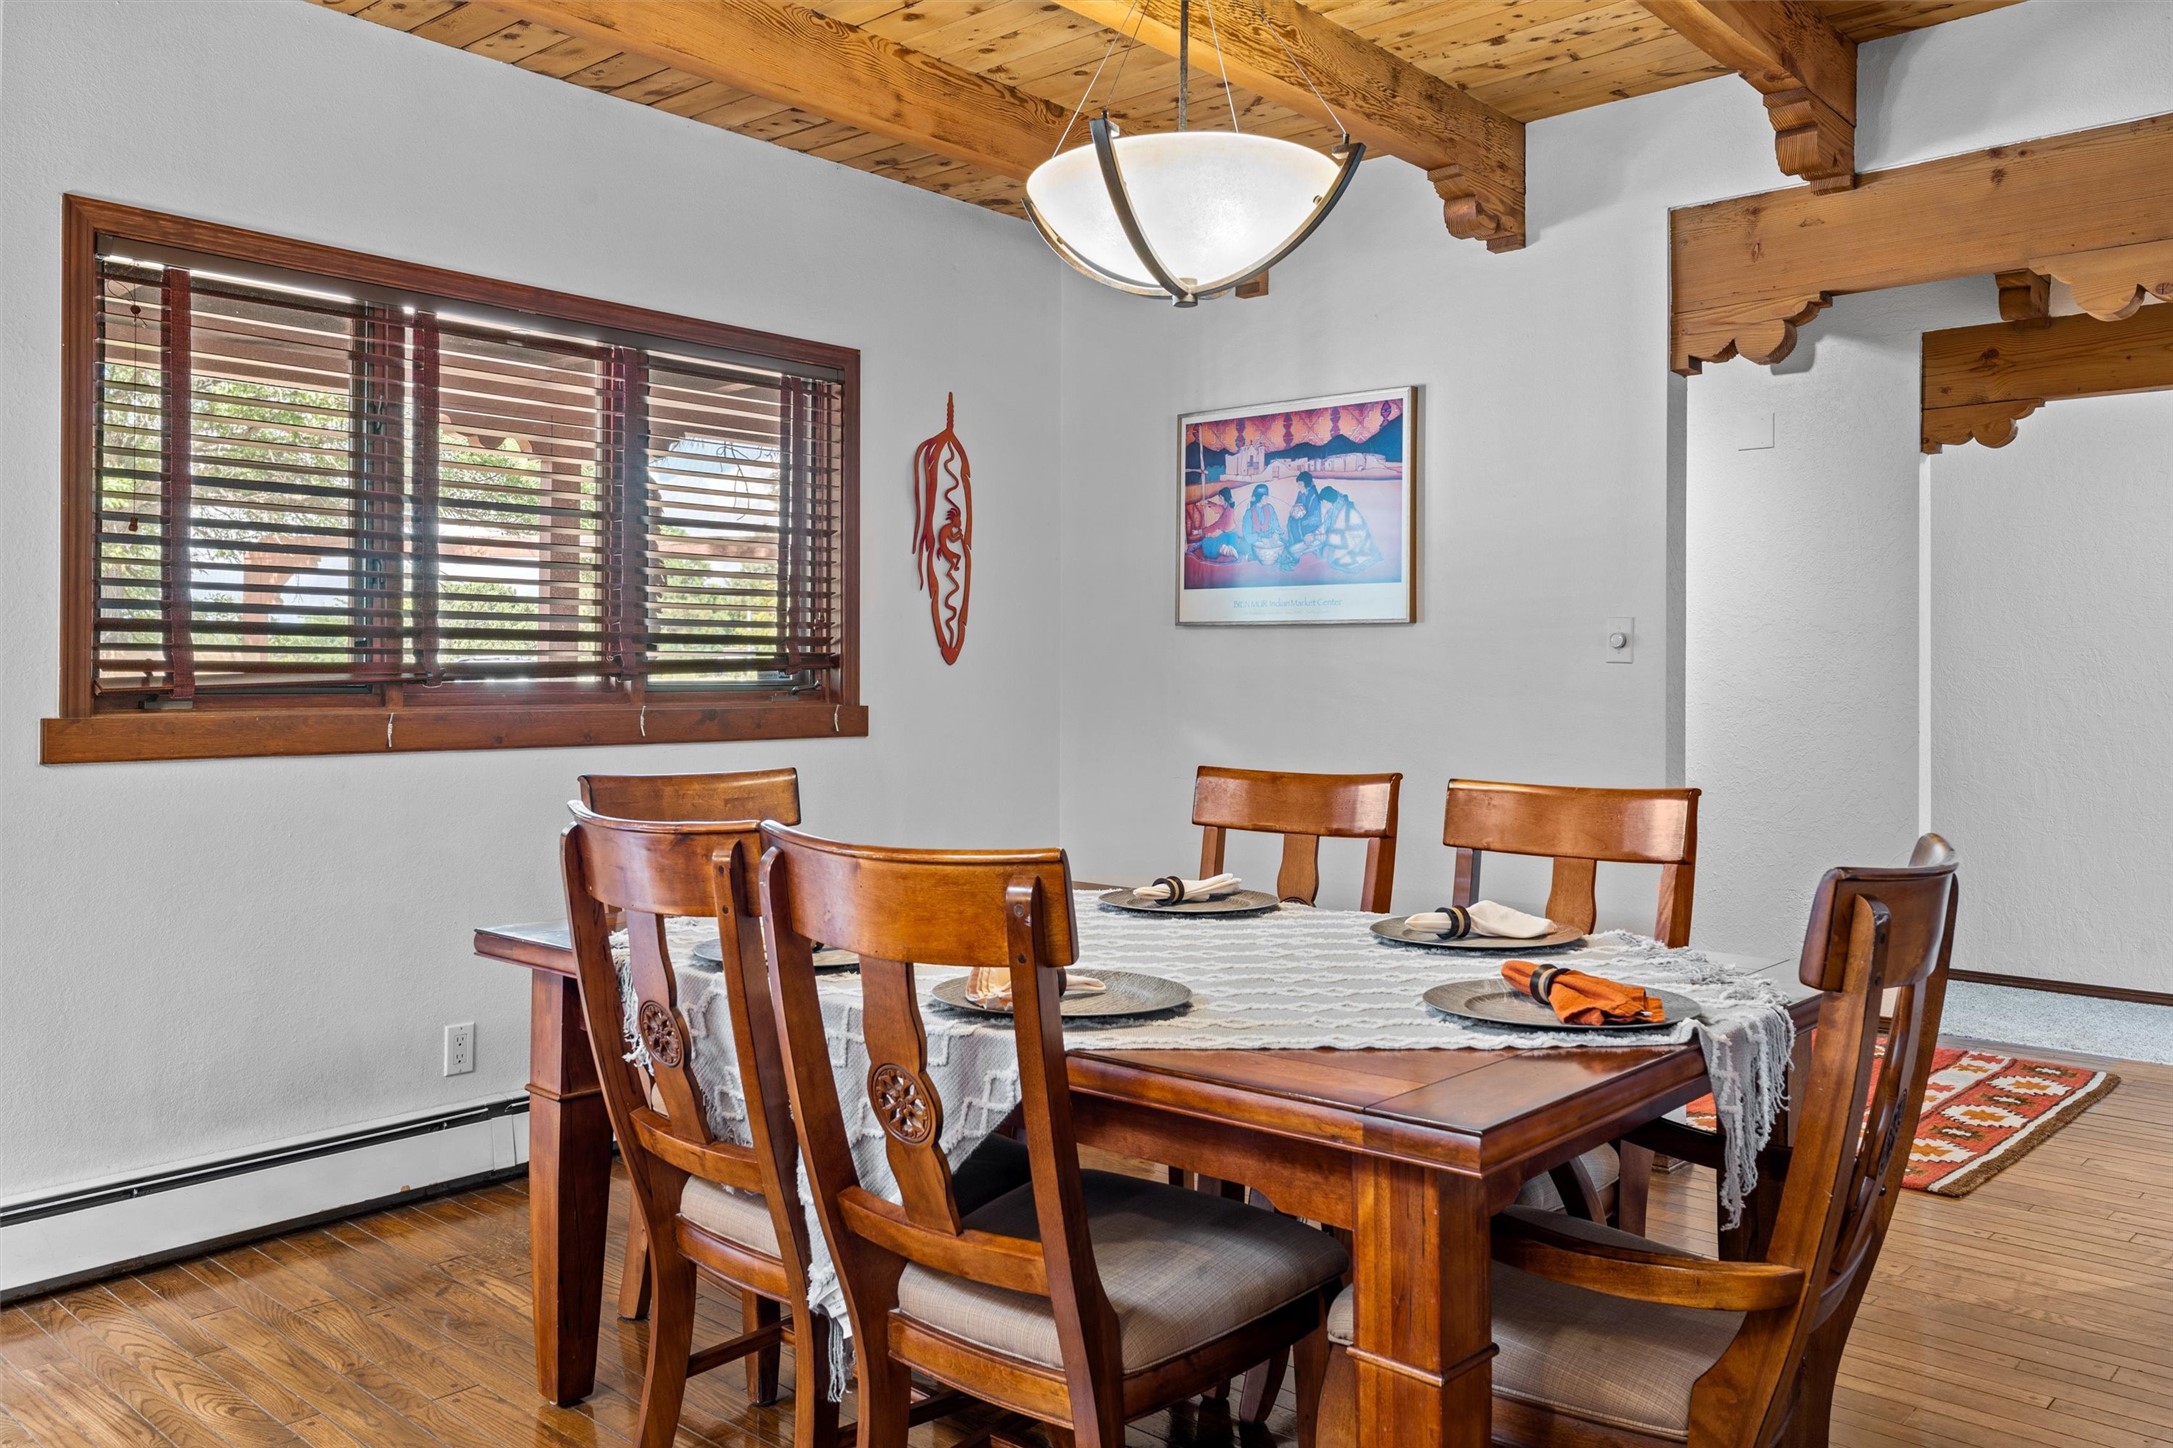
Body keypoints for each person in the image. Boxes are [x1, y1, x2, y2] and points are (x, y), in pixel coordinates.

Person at [1317, 485, 1383, 572]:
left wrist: (1321, 537)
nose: (1322, 505)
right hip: (1348, 540)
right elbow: (1326, 525)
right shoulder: (1334, 509)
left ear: (1326, 501)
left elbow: (1343, 536)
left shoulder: (1344, 512)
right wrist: (1317, 534)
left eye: (1322, 502)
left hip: (1358, 546)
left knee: (1335, 561)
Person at [1280, 472, 1323, 569]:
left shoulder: (1313, 495)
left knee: (1297, 524)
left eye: (1300, 484)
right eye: (1298, 484)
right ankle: (1294, 546)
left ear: (1306, 484)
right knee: (1291, 521)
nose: (1298, 486)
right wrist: (1294, 512)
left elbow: (1313, 514)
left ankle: (1297, 550)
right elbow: (1297, 505)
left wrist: (1302, 519)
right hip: (1302, 517)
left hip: (1312, 521)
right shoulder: (1300, 493)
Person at [1188, 486, 1243, 562]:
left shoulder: (1227, 514)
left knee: (1207, 542)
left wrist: (1199, 531)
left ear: (1224, 498)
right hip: (1229, 536)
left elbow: (1214, 527)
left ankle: (1229, 550)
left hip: (1229, 538)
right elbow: (1218, 507)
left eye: (1220, 498)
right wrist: (1207, 503)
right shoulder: (1228, 507)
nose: (1219, 500)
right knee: (1210, 541)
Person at [1238, 482, 1283, 564]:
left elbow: (1275, 524)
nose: (1267, 498)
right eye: (1264, 496)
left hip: (1269, 537)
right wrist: (1260, 539)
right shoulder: (1249, 513)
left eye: (1267, 496)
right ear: (1259, 497)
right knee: (1245, 546)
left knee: (1282, 544)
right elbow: (1247, 534)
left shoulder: (1270, 508)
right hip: (1254, 539)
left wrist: (1276, 533)